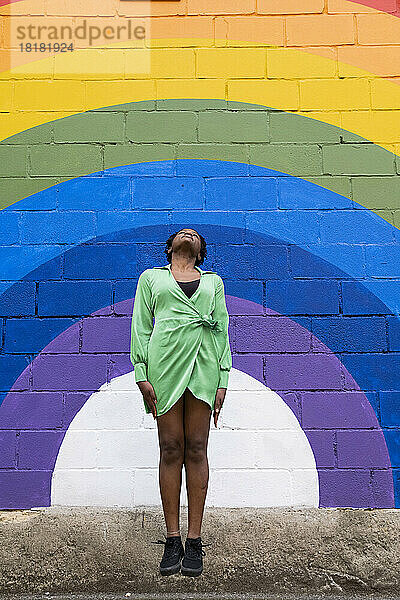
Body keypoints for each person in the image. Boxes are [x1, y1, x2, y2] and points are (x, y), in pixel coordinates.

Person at [130, 227, 232, 577]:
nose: (188, 233)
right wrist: (141, 372)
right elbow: (141, 327)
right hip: (164, 367)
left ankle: (195, 539)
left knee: (197, 448)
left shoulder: (213, 283)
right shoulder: (151, 279)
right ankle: (172, 537)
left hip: (203, 366)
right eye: (181, 232)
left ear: (201, 250)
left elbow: (221, 330)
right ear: (169, 247)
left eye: (195, 234)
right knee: (171, 448)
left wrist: (223, 378)